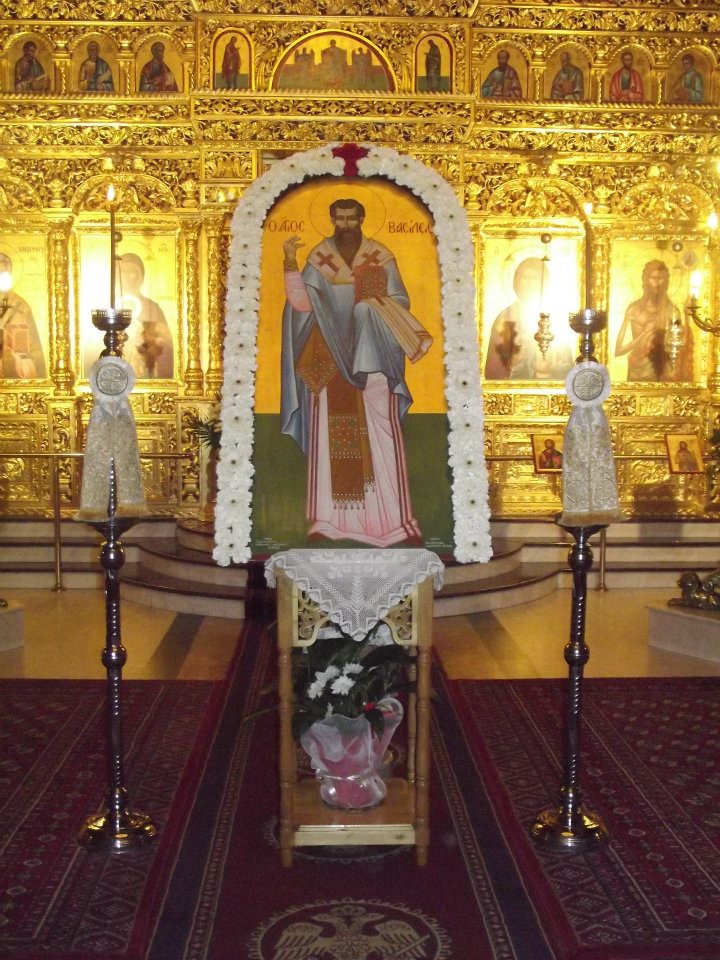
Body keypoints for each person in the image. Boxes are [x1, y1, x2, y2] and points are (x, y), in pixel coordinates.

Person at [280, 198, 433, 547]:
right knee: (329, 437)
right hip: (330, 360)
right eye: (339, 219)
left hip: (375, 358)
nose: (345, 225)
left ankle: (392, 522)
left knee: (381, 435)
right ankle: (329, 521)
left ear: (362, 219)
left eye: (351, 218)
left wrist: (374, 305)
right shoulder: (320, 257)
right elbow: (302, 304)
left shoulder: (380, 256)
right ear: (332, 219)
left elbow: (400, 301)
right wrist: (290, 261)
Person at [484, 257, 574, 380]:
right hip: (514, 386)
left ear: (544, 282)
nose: (528, 283)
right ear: (516, 282)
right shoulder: (505, 318)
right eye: (524, 278)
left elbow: (566, 365)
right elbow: (494, 369)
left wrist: (549, 369)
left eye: (534, 278)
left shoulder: (555, 318)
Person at [614, 260, 693, 381]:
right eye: (653, 278)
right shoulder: (633, 309)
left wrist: (687, 318)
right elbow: (618, 351)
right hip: (637, 372)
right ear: (645, 280)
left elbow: (681, 345)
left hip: (663, 371)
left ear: (666, 281)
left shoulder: (672, 311)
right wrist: (645, 333)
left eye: (661, 278)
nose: (657, 283)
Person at [116, 252, 174, 378]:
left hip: (144, 373)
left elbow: (166, 346)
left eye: (131, 271)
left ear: (140, 277)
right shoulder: (109, 306)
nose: (126, 276)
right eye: (122, 271)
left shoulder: (152, 307)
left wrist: (149, 340)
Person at [0, 253, 46, 379]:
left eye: (3, 274)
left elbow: (33, 352)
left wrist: (13, 359)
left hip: (15, 374)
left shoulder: (21, 307)